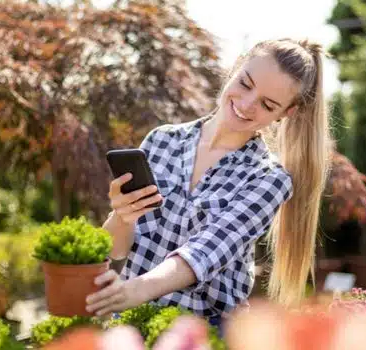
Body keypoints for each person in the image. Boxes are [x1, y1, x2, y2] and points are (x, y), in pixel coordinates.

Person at [85, 38, 331, 332]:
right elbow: (116, 249)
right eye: (245, 83)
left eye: (267, 104)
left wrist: (132, 291)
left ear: (286, 113)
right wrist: (121, 216)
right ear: (236, 68)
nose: (246, 104)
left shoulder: (268, 179)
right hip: (131, 324)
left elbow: (204, 252)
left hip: (205, 330)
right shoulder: (161, 141)